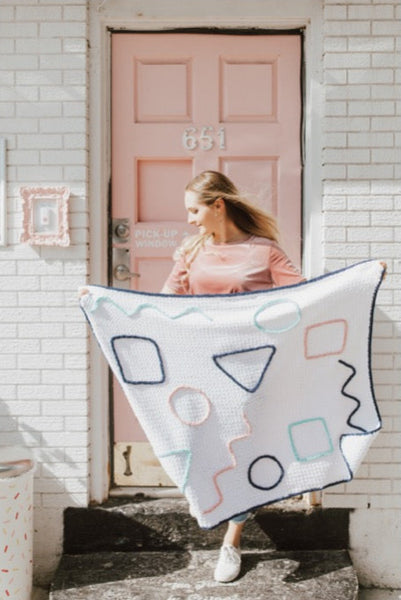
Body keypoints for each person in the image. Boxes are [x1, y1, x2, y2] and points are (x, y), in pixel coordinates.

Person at [161, 170, 305, 583]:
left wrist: (357, 282)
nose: (189, 219)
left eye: (194, 210)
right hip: (201, 366)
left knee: (238, 449)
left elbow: (304, 298)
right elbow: (164, 304)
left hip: (249, 371)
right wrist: (103, 301)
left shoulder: (265, 251)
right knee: (202, 444)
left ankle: (232, 539)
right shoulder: (191, 251)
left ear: (218, 205)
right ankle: (213, 500)